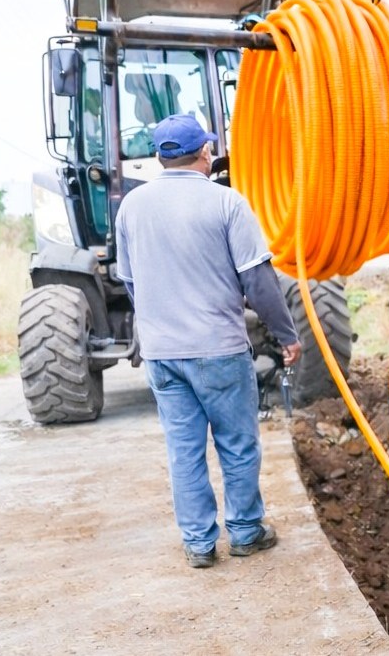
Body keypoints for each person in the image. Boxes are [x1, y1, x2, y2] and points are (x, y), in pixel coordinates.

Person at [116, 113, 302, 569]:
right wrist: (285, 336)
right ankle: (244, 532)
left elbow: (130, 281)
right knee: (237, 444)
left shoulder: (131, 207)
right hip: (218, 348)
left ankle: (199, 543)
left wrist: (160, 322)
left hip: (163, 354)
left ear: (160, 157)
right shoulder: (228, 203)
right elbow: (258, 281)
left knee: (184, 450)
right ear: (205, 153)